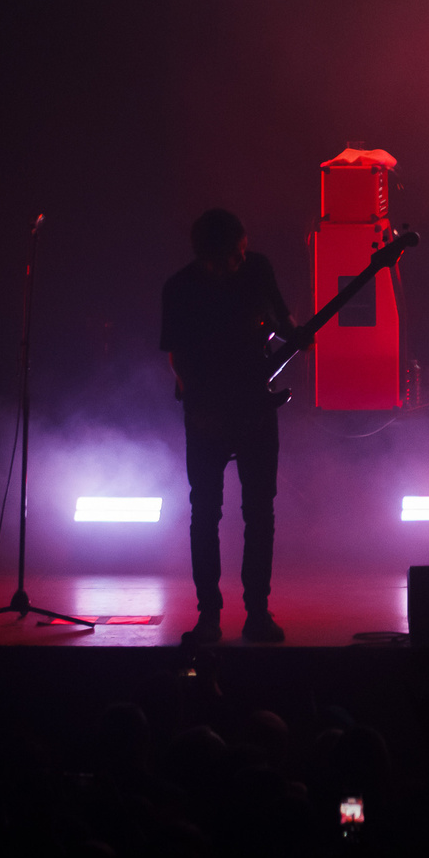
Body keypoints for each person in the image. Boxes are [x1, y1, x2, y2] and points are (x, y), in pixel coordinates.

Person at [160, 208, 298, 646]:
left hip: (255, 407)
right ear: (208, 258)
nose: (242, 260)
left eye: (243, 251)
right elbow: (177, 357)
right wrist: (199, 406)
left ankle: (257, 611)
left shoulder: (257, 268)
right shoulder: (181, 288)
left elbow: (283, 321)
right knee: (206, 514)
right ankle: (209, 616)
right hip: (206, 412)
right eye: (233, 256)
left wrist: (295, 336)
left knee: (259, 512)